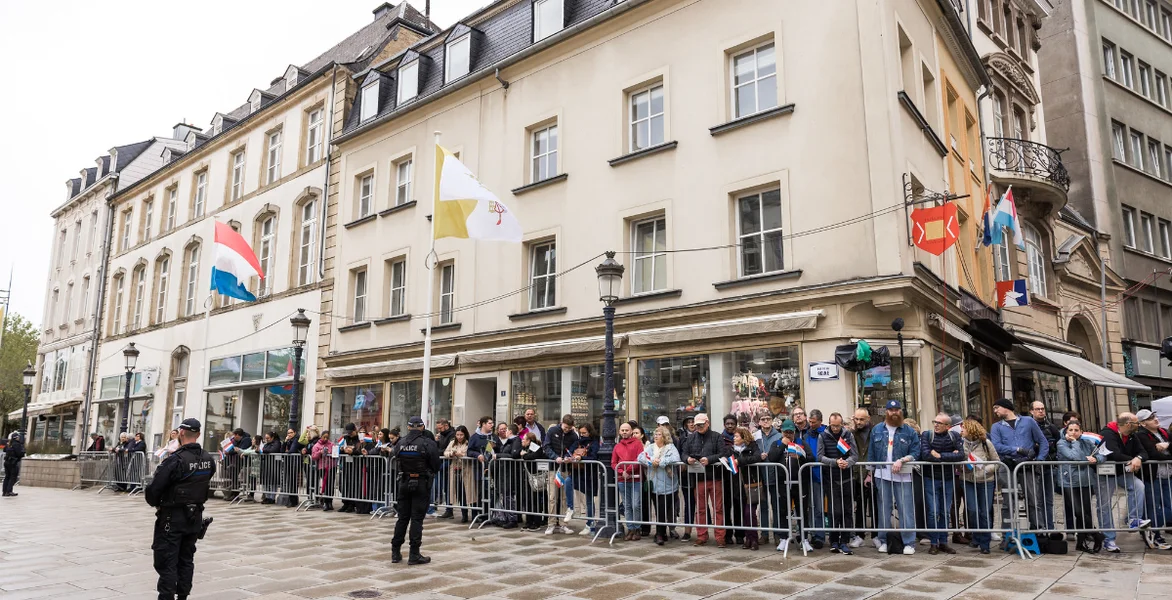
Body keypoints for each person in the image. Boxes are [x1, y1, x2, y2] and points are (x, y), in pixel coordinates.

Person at [145, 418, 215, 600]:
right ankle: (183, 596)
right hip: (195, 517)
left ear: (181, 433)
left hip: (172, 518)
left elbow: (153, 490)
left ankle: (166, 597)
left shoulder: (175, 460)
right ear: (198, 434)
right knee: (186, 559)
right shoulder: (208, 459)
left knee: (167, 561)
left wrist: (157, 502)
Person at [865, 400, 921, 555]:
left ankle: (909, 542)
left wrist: (904, 459)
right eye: (891, 410)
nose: (894, 412)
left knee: (905, 509)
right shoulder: (877, 430)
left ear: (901, 412)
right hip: (882, 475)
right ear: (886, 412)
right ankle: (883, 540)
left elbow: (916, 451)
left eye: (897, 410)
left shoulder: (908, 431)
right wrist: (869, 473)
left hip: (903, 476)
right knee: (884, 509)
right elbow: (871, 453)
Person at [989, 398, 1047, 534]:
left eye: (996, 407)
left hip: (1027, 465)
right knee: (1008, 502)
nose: (995, 411)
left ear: (1006, 407)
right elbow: (996, 446)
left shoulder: (1028, 421)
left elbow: (1042, 441)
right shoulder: (996, 426)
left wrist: (1039, 460)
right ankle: (1007, 533)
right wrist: (1018, 450)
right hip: (1008, 465)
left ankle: (1038, 531)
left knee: (1033, 500)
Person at [390, 416, 441, 565]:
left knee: (402, 518)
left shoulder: (401, 442)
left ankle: (395, 552)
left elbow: (394, 456)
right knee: (417, 519)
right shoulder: (427, 443)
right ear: (422, 427)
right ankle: (414, 554)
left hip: (404, 482)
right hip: (421, 482)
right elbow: (436, 465)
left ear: (409, 427)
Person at [1098, 412, 1151, 553]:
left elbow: (1144, 452)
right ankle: (1108, 539)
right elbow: (1113, 454)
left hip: (1122, 471)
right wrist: (1133, 459)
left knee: (1138, 486)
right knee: (1105, 505)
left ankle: (1133, 519)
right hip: (1106, 473)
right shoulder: (1108, 434)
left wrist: (1138, 458)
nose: (1139, 425)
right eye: (1136, 423)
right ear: (1128, 424)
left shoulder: (1133, 435)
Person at [683, 413, 731, 547]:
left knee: (718, 508)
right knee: (701, 509)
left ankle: (720, 536)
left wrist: (710, 459)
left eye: (701, 425)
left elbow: (723, 453)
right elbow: (684, 452)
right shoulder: (691, 438)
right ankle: (701, 535)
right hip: (699, 478)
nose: (698, 427)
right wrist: (687, 459)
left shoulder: (717, 436)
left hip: (715, 477)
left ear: (707, 423)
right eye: (696, 425)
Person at [1057, 420, 1105, 553]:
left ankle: (1081, 542)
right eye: (1070, 430)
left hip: (1086, 481)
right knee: (1078, 511)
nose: (1073, 432)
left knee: (1085, 512)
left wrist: (1096, 459)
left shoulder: (1087, 443)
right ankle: (1096, 534)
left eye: (1076, 430)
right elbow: (1075, 457)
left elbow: (1101, 455)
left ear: (1081, 431)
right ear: (1066, 431)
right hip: (1069, 482)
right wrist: (1074, 443)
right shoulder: (1061, 443)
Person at [919, 412, 963, 555]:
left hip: (948, 478)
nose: (936, 425)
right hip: (930, 477)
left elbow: (961, 455)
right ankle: (933, 542)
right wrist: (950, 456)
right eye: (935, 422)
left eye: (939, 423)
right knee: (933, 512)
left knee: (945, 511)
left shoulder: (954, 436)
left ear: (947, 426)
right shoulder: (927, 435)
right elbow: (925, 454)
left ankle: (943, 541)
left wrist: (940, 455)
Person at [767, 420, 810, 553]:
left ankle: (804, 538)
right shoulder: (777, 443)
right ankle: (784, 538)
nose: (789, 435)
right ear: (782, 432)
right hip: (783, 483)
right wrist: (782, 446)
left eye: (791, 432)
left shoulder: (801, 442)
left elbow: (811, 457)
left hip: (800, 483)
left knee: (802, 510)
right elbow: (772, 458)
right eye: (786, 432)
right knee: (783, 511)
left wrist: (800, 455)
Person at [818, 413, 858, 554]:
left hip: (847, 478)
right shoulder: (823, 436)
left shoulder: (848, 435)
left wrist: (847, 463)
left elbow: (855, 455)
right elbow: (820, 456)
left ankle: (845, 541)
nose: (835, 428)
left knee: (847, 511)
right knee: (835, 511)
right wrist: (835, 462)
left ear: (842, 424)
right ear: (829, 423)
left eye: (838, 425)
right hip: (831, 478)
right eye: (833, 425)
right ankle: (834, 540)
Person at [961, 418, 1000, 554]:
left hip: (986, 481)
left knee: (984, 511)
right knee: (972, 510)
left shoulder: (985, 443)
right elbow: (958, 460)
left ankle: (985, 542)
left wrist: (985, 469)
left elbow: (996, 461)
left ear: (971, 429)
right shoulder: (961, 444)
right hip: (967, 479)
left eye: (964, 428)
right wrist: (963, 466)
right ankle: (976, 536)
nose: (961, 430)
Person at [1134, 409, 1172, 549]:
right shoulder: (1141, 436)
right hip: (1152, 476)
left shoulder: (1163, 432)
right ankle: (1155, 535)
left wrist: (1167, 445)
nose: (1155, 419)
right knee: (1153, 506)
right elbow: (1153, 454)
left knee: (1169, 507)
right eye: (1150, 418)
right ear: (1143, 424)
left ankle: (1146, 525)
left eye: (1154, 416)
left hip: (1167, 475)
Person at [640, 424, 680, 545]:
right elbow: (641, 457)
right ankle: (660, 534)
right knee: (659, 509)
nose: (656, 436)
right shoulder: (651, 447)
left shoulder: (670, 447)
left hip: (668, 484)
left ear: (664, 436)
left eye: (659, 434)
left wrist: (661, 462)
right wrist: (652, 461)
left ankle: (661, 534)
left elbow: (675, 458)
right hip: (654, 483)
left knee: (665, 509)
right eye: (655, 434)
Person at [794, 408, 826, 549]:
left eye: (814, 422)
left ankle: (819, 535)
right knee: (808, 507)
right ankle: (808, 533)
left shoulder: (825, 433)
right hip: (807, 474)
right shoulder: (805, 435)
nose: (811, 424)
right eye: (810, 422)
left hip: (821, 473)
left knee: (819, 507)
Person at [544, 414, 579, 534]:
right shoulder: (552, 431)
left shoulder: (573, 435)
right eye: (565, 427)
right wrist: (555, 457)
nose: (567, 430)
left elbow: (574, 449)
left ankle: (564, 523)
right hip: (553, 468)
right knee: (552, 497)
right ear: (561, 423)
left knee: (565, 497)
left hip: (565, 469)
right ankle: (551, 523)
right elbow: (546, 446)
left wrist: (570, 457)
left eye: (569, 428)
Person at [730, 426, 762, 550]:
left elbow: (757, 457)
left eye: (736, 436)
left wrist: (740, 461)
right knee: (743, 513)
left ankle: (753, 538)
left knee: (750, 512)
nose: (734, 438)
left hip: (751, 483)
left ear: (743, 438)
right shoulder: (732, 449)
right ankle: (747, 538)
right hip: (738, 484)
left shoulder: (752, 446)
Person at [1030, 401, 1061, 530]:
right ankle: (1039, 527)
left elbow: (1059, 445)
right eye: (1038, 409)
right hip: (1032, 468)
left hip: (1048, 467)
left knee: (1048, 500)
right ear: (1032, 411)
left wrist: (1053, 459)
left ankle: (1050, 527)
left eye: (1042, 409)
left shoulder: (1051, 427)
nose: (1041, 411)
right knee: (1036, 500)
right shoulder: (1028, 426)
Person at [754, 413, 783, 545]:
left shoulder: (779, 436)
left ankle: (777, 533)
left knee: (776, 506)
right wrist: (759, 456)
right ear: (759, 422)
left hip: (775, 475)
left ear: (772, 421)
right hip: (760, 476)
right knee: (763, 506)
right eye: (763, 419)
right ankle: (764, 533)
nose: (765, 421)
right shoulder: (756, 436)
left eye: (768, 419)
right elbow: (752, 451)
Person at [613, 422, 644, 540]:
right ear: (619, 432)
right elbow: (614, 462)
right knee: (627, 505)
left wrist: (628, 471)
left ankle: (637, 528)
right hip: (622, 480)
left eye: (627, 430)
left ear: (631, 431)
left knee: (636, 504)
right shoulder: (617, 446)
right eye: (622, 430)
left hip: (635, 478)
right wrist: (622, 472)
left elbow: (639, 458)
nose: (624, 432)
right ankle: (630, 528)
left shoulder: (637, 444)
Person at [849, 408, 874, 549]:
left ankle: (876, 536)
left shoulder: (875, 432)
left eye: (861, 419)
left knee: (875, 506)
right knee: (860, 507)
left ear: (868, 419)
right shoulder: (851, 433)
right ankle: (859, 535)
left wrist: (870, 473)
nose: (858, 422)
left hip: (873, 474)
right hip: (857, 474)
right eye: (856, 419)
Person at [571, 423, 600, 536]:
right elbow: (571, 450)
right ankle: (570, 508)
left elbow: (594, 456)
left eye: (584, 433)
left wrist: (582, 458)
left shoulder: (594, 443)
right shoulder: (578, 442)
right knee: (568, 482)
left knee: (589, 500)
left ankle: (590, 523)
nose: (582, 435)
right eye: (581, 433)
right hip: (577, 472)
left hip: (589, 474)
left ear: (590, 432)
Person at [444, 426, 476, 523]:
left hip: (467, 471)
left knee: (470, 493)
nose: (459, 437)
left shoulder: (469, 443)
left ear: (465, 434)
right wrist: (451, 454)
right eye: (457, 435)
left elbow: (469, 453)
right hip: (455, 471)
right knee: (460, 493)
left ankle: (475, 515)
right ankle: (464, 515)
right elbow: (446, 452)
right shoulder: (452, 442)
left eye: (461, 435)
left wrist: (461, 454)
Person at [519, 431, 548, 531]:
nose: (522, 440)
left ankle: (536, 522)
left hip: (535, 477)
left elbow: (533, 456)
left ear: (529, 441)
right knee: (528, 500)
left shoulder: (535, 447)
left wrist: (524, 455)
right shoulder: (525, 448)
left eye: (524, 439)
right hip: (527, 477)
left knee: (534, 500)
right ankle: (528, 521)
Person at [676, 415, 697, 541]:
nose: (691, 424)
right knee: (688, 503)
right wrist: (683, 461)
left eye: (693, 421)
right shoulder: (682, 438)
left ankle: (702, 531)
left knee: (701, 504)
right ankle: (687, 530)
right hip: (686, 474)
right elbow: (680, 453)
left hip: (700, 473)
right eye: (689, 422)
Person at [310, 430, 337, 511]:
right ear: (321, 436)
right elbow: (314, 456)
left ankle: (330, 502)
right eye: (324, 437)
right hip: (322, 467)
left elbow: (335, 452)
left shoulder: (331, 444)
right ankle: (325, 502)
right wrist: (320, 452)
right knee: (325, 484)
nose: (325, 439)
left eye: (327, 437)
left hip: (332, 466)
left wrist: (331, 452)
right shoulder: (316, 445)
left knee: (331, 484)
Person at [280, 428, 303, 508]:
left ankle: (293, 500)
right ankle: (292, 499)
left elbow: (292, 450)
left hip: (294, 463)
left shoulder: (296, 439)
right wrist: (285, 442)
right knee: (290, 481)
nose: (289, 434)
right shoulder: (289, 440)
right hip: (288, 462)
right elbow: (282, 451)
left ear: (295, 433)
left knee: (292, 482)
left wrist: (287, 452)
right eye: (288, 433)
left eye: (291, 433)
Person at [3, 432, 25, 497]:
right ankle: (9, 491)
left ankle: (4, 491)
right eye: (18, 437)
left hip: (6, 462)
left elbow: (4, 450)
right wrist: (23, 452)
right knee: (12, 477)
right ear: (16, 438)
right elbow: (19, 453)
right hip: (13, 463)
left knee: (7, 477)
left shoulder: (9, 443)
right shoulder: (17, 444)